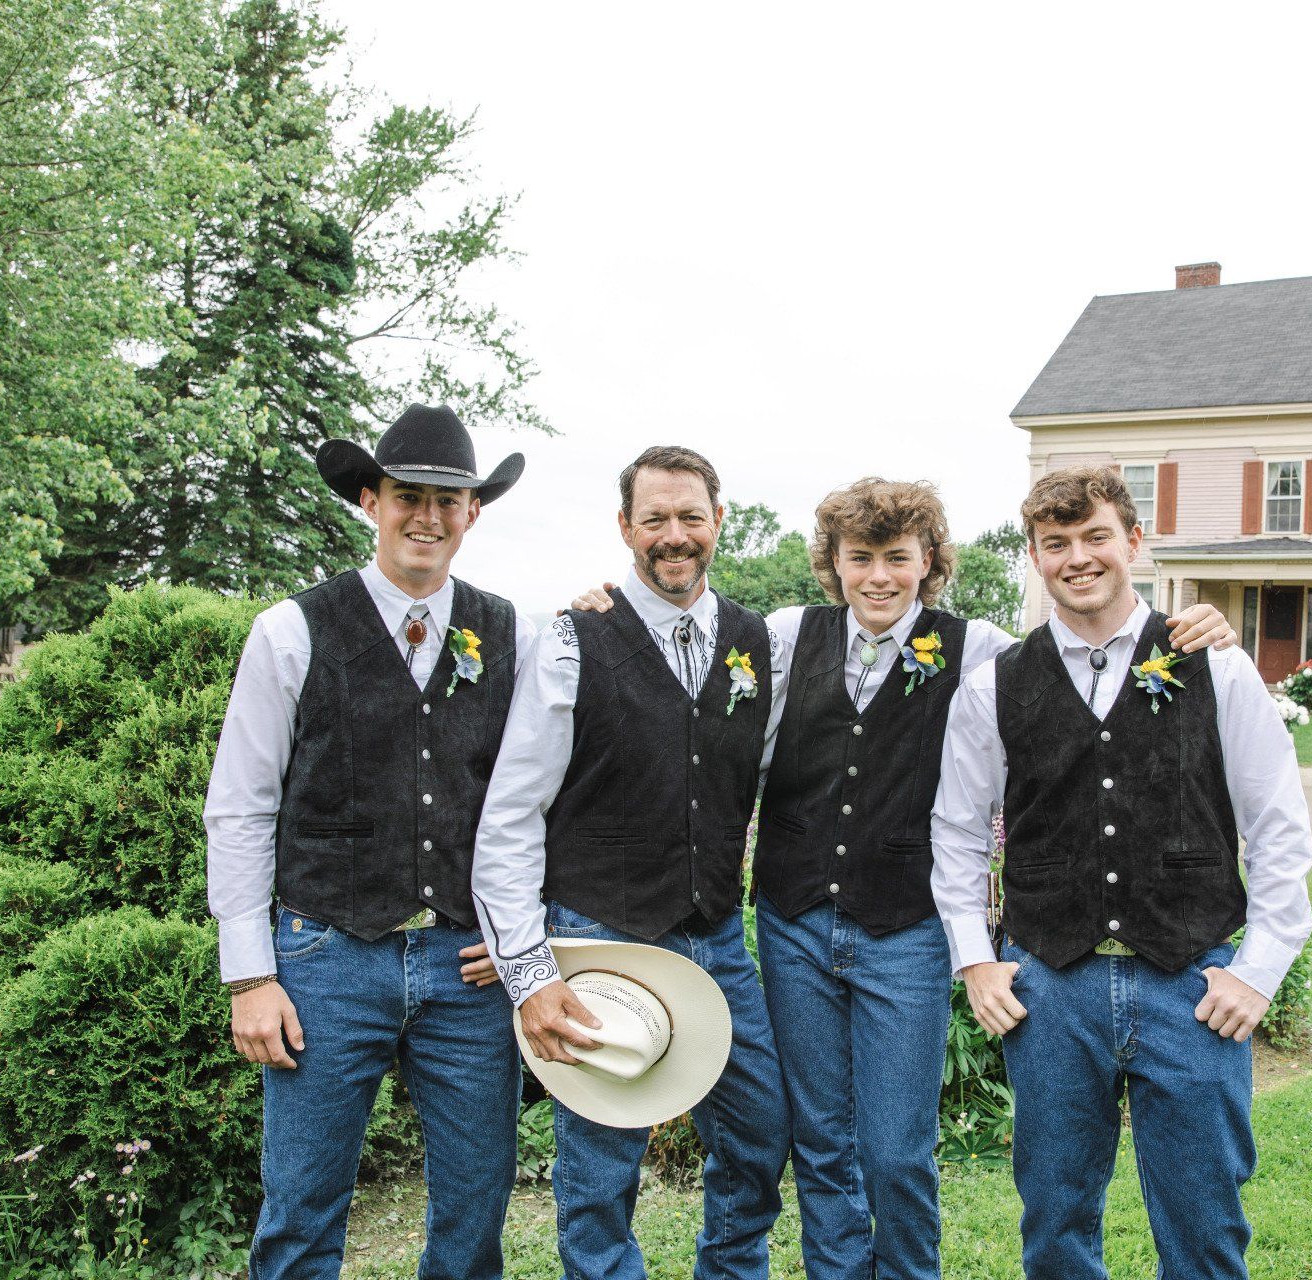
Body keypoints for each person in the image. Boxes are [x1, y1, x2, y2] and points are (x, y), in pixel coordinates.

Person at [749, 477, 1236, 1280]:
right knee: (820, 1139)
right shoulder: (785, 635)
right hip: (792, 918)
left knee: (897, 1149)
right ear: (831, 563)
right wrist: (596, 608)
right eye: (858, 558)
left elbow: (1081, 670)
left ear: (929, 561)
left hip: (901, 927)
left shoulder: (976, 647)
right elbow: (698, 693)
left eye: (897, 558)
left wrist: (1194, 630)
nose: (877, 577)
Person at [932, 464, 1312, 1280]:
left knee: (1205, 1222)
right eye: (1055, 543)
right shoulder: (993, 685)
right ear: (1034, 556)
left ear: (1133, 542)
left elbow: (1278, 822)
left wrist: (1260, 969)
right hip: (1050, 989)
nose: (1078, 558)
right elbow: (958, 833)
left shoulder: (1217, 665)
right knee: (1056, 1218)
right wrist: (973, 956)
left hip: (1193, 989)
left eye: (1096, 537)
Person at [204, 404, 534, 1280]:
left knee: (476, 1205)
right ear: (369, 500)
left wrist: (521, 940)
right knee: (302, 1206)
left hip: (469, 963)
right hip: (324, 957)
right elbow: (239, 807)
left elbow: (542, 803)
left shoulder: (515, 634)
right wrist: (251, 974)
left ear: (473, 513)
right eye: (407, 497)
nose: (427, 517)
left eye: (448, 500)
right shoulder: (291, 628)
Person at [469, 444, 792, 1280]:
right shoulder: (575, 640)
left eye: (691, 517)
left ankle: (729, 1268)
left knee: (759, 1135)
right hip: (602, 932)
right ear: (625, 528)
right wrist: (529, 968)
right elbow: (510, 816)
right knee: (600, 1170)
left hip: (718, 938)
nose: (674, 536)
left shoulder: (757, 640)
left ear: (720, 522)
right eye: (655, 519)